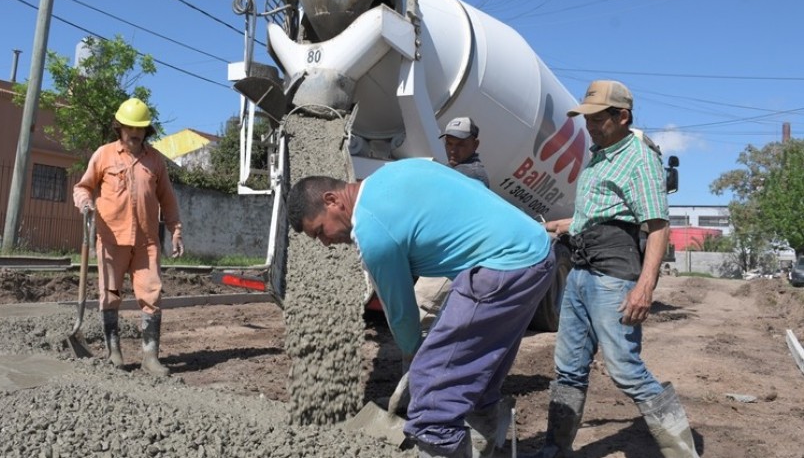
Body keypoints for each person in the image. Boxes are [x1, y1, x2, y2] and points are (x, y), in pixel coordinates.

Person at [287, 158, 555, 458]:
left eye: (320, 231)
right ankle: (486, 447)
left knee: (431, 397)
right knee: (476, 374)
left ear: (332, 200)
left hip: (502, 266)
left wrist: (416, 354)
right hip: (535, 254)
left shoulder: (372, 232)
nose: (325, 243)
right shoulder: (389, 175)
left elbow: (400, 310)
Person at [522, 80, 699, 458]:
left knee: (625, 370)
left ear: (622, 116)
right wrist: (554, 226)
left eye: (597, 119)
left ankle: (683, 452)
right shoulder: (600, 154)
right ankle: (554, 449)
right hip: (581, 274)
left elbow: (657, 226)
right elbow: (593, 217)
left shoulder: (639, 157)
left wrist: (644, 287)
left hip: (613, 278)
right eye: (586, 119)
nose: (589, 126)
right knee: (568, 368)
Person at [73, 97, 184, 377]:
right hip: (111, 240)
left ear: (147, 130)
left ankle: (150, 357)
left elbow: (168, 200)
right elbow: (83, 186)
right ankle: (114, 353)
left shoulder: (155, 161)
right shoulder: (104, 155)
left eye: (140, 128)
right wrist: (85, 203)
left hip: (146, 243)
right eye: (129, 127)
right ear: (119, 127)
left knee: (152, 295)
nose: (134, 133)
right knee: (110, 296)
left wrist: (176, 230)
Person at [415, 116, 490, 319]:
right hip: (441, 255)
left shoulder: (471, 175)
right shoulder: (454, 169)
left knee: (421, 311)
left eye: (460, 144)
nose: (453, 150)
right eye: (449, 143)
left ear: (475, 144)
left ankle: (418, 351)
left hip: (450, 257)